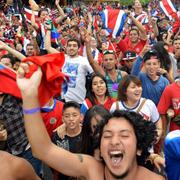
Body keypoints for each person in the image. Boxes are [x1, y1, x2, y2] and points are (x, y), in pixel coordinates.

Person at [16, 63, 164, 180]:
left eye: (124, 135)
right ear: (99, 146)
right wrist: (29, 96)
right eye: (106, 136)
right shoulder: (92, 169)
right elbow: (43, 150)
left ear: (139, 147)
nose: (114, 141)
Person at [45, 28, 93, 104]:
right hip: (63, 100)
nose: (71, 48)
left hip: (79, 101)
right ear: (66, 48)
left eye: (74, 46)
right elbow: (47, 47)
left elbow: (95, 75)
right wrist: (48, 30)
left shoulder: (84, 60)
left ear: (78, 48)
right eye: (69, 46)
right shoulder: (63, 58)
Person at [110, 75, 162, 142]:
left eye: (139, 86)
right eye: (133, 87)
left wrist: (155, 136)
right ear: (124, 91)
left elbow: (158, 123)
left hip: (145, 149)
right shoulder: (116, 106)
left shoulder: (149, 104)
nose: (138, 89)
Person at [85, 33, 127, 99]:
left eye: (111, 59)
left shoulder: (123, 74)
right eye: (106, 60)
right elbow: (92, 62)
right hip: (107, 106)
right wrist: (87, 44)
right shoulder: (103, 74)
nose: (108, 62)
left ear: (116, 61)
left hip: (120, 106)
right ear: (103, 62)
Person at [52, 101, 83, 180]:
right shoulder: (57, 136)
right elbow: (53, 160)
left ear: (81, 117)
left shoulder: (87, 134)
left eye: (74, 115)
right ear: (62, 118)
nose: (71, 119)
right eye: (67, 116)